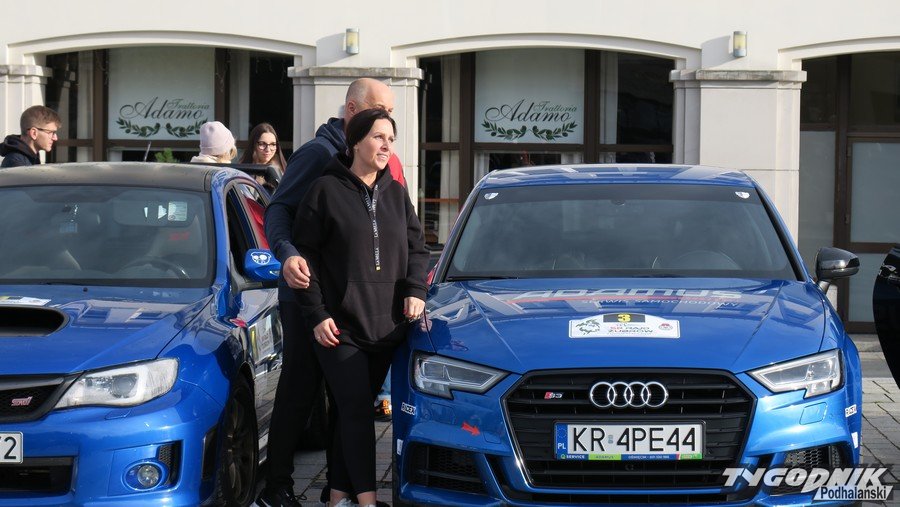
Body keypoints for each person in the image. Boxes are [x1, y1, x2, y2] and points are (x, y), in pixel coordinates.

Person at [258, 78, 399, 507]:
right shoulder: (318, 154)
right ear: (354, 110)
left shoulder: (373, 159)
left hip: (346, 298)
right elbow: (279, 208)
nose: (387, 123)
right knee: (301, 388)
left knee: (347, 398)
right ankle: (277, 486)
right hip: (305, 293)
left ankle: (340, 489)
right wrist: (286, 254)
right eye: (380, 111)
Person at [293, 108, 428, 507]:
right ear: (355, 142)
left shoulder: (396, 193)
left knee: (348, 412)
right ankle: (368, 501)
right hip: (339, 328)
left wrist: (416, 289)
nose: (387, 146)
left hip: (386, 327)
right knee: (356, 412)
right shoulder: (324, 190)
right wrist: (316, 314)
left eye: (391, 139)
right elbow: (305, 258)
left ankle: (337, 496)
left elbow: (418, 249)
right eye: (378, 137)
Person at [239, 122, 287, 192]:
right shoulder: (240, 172)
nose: (268, 149)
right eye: (262, 144)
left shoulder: (285, 173)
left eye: (273, 144)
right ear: (253, 145)